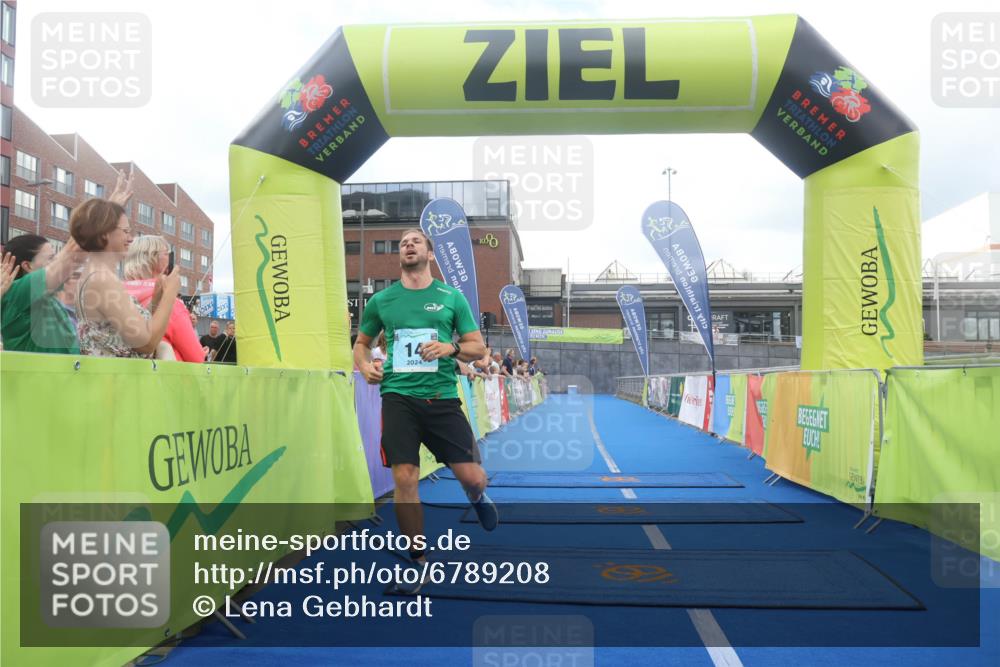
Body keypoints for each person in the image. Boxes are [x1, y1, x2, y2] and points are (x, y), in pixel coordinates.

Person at [354, 228, 497, 594]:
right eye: (402, 242)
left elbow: (477, 347)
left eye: (416, 241)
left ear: (430, 254)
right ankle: (418, 563)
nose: (408, 244)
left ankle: (477, 495)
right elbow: (362, 343)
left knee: (473, 478)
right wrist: (365, 366)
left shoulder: (451, 297)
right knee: (405, 478)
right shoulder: (382, 300)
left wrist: (450, 348)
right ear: (399, 255)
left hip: (442, 399)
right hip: (398, 398)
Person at [71, 198, 180, 357]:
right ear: (104, 233)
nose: (131, 238)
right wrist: (170, 295)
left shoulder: (93, 275)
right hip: (117, 380)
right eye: (126, 231)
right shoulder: (102, 280)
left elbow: (128, 330)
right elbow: (145, 343)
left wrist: (156, 300)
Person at [123, 235, 204, 362]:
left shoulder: (116, 297)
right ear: (153, 259)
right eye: (166, 253)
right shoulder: (169, 302)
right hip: (164, 378)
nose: (170, 258)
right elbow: (197, 357)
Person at [0, 235, 86, 354]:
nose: (55, 262)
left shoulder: (51, 299)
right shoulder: (15, 292)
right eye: (51, 258)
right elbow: (69, 260)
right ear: (27, 266)